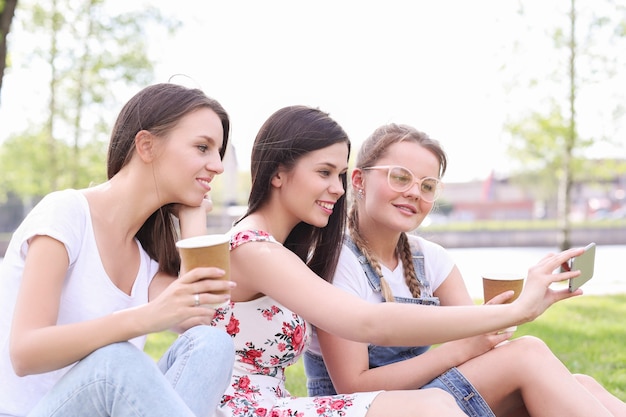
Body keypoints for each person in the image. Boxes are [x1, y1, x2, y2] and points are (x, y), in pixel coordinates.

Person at [208, 105, 589, 417]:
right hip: (246, 409)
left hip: (271, 403)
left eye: (338, 175)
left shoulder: (281, 248)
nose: (337, 189)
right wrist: (516, 311)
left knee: (569, 383)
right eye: (325, 173)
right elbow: (368, 322)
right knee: (445, 401)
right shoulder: (253, 248)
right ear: (278, 172)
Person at [304, 123, 626, 417]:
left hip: (426, 400)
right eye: (400, 177)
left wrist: (503, 318)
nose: (415, 192)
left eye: (428, 186)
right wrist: (462, 348)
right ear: (359, 180)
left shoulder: (430, 259)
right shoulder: (338, 261)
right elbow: (352, 387)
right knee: (528, 354)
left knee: (581, 382)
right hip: (365, 409)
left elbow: (482, 345)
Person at [0, 83, 236, 417]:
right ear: (146, 145)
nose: (218, 166)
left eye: (219, 152)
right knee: (115, 360)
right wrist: (144, 318)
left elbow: (198, 317)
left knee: (213, 345)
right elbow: (25, 353)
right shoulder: (66, 212)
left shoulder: (145, 259)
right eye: (202, 147)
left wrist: (192, 215)